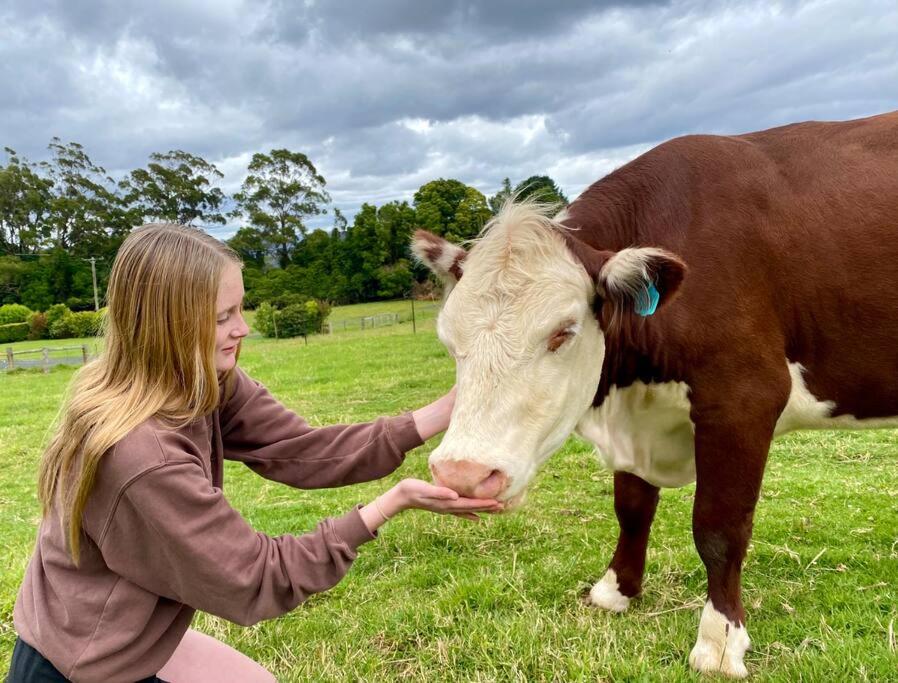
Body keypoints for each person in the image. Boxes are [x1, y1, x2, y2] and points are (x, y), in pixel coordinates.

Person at [7, 224, 501, 683]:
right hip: (86, 667)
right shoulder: (142, 456)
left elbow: (303, 452)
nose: (243, 328)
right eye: (223, 317)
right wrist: (387, 505)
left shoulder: (201, 381)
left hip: (127, 636)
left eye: (241, 308)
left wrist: (444, 411)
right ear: (168, 325)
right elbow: (255, 578)